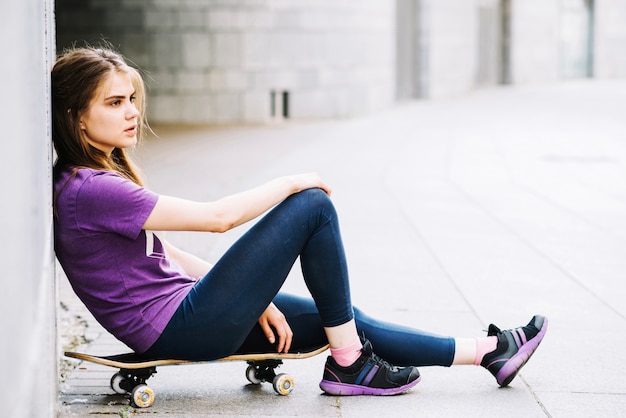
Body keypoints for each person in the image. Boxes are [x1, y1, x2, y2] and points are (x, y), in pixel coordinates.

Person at [51, 45, 548, 397]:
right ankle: (351, 366)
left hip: (192, 313)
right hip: (181, 327)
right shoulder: (92, 190)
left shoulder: (91, 180)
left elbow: (168, 254)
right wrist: (289, 182)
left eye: (132, 99)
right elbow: (218, 218)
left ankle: (487, 352)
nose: (132, 112)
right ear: (76, 117)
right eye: (114, 103)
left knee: (340, 319)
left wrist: (253, 297)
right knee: (311, 204)